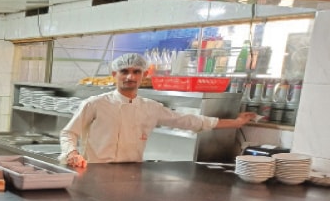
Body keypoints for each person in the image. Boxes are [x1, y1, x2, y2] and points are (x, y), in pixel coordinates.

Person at [60, 53, 256, 168]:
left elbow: (190, 121)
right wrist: (72, 153)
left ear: (144, 74)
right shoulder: (95, 103)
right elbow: (69, 132)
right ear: (114, 75)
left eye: (136, 72)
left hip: (133, 172)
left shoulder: (150, 107)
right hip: (95, 170)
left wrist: (236, 123)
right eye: (124, 71)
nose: (130, 76)